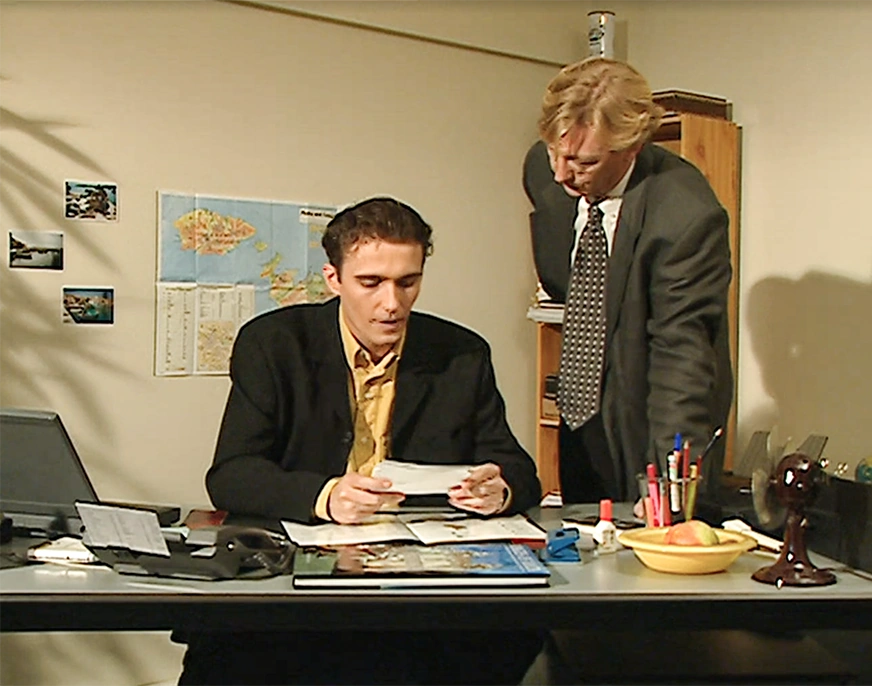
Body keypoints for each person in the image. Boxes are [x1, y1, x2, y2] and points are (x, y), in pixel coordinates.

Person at [176, 197, 543, 686]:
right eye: (371, 283)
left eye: (407, 282)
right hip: (298, 571)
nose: (392, 303)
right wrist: (325, 495)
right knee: (240, 653)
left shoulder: (461, 353)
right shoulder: (274, 344)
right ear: (334, 279)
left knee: (515, 634)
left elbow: (517, 469)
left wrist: (500, 489)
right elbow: (232, 475)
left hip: (420, 579)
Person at [523, 56, 733, 504]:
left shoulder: (686, 216)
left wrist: (671, 488)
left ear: (632, 148)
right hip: (579, 415)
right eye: (555, 153)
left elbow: (682, 355)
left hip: (647, 424)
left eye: (583, 161)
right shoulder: (546, 172)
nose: (561, 174)